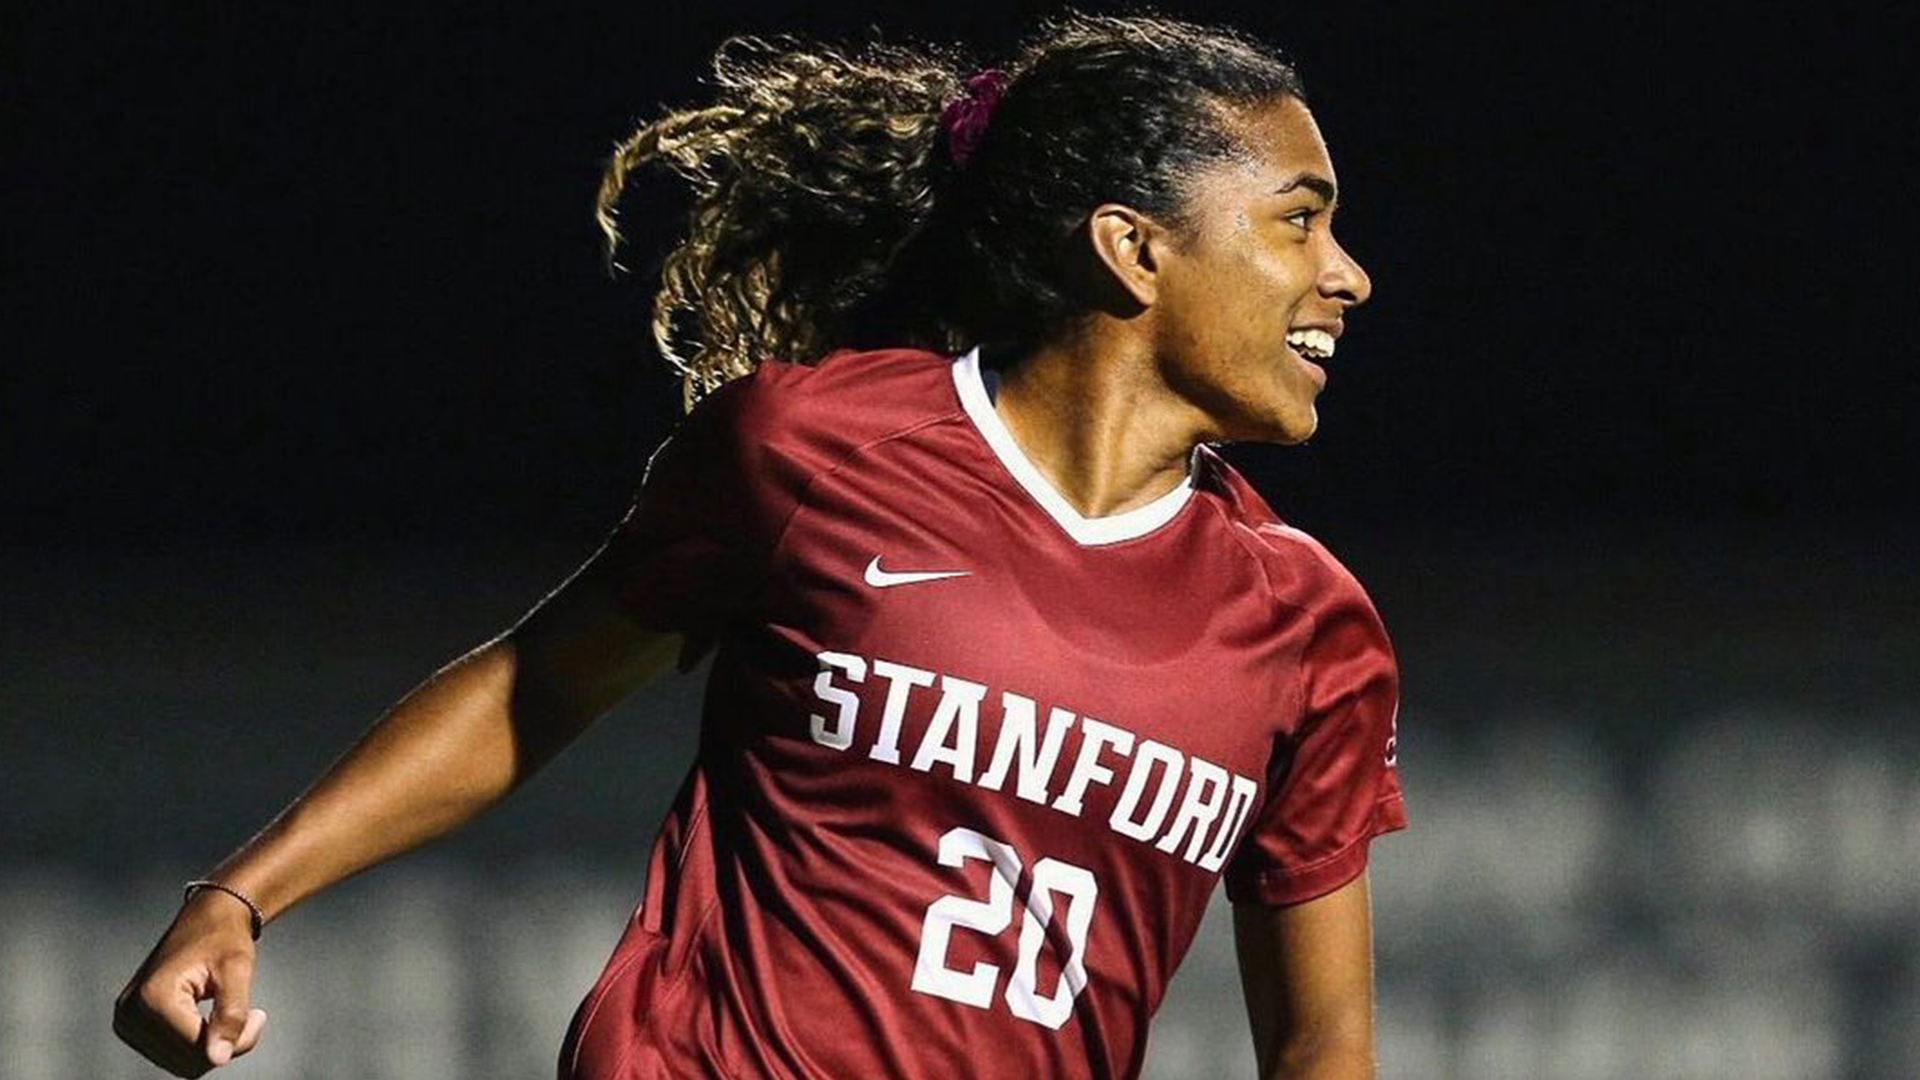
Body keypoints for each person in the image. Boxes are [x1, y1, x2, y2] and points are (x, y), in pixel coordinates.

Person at [112, 11, 1404, 1080]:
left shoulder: (1309, 627)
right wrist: (241, 895)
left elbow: (1323, 1039)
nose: (1346, 274)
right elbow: (537, 684)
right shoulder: (814, 450)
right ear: (1132, 249)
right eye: (1300, 220)